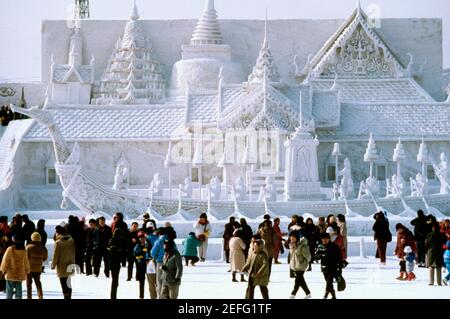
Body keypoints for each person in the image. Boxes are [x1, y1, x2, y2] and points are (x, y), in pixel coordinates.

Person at [0, 234, 30, 299]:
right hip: (20, 274)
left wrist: (3, 270)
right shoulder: (24, 250)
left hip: (10, 273)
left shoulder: (10, 249)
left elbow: (5, 260)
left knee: (9, 293)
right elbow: (26, 261)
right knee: (19, 293)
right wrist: (27, 271)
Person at [51, 226, 75, 299]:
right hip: (70, 264)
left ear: (58, 233)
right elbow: (73, 253)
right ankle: (69, 297)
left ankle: (66, 297)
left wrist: (53, 265)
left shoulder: (58, 243)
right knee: (68, 283)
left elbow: (55, 256)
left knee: (63, 283)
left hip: (61, 266)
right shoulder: (71, 240)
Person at [316, 233, 343, 299]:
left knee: (329, 282)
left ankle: (326, 295)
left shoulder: (334, 246)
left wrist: (339, 267)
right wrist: (318, 256)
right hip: (324, 267)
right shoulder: (320, 246)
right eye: (323, 239)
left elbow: (339, 258)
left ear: (329, 239)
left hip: (333, 267)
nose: (324, 240)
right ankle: (333, 296)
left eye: (326, 238)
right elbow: (316, 256)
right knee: (328, 282)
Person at [288, 230, 311, 299]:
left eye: (293, 237)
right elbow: (292, 255)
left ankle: (293, 293)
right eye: (290, 237)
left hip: (301, 265)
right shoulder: (291, 245)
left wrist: (305, 262)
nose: (291, 238)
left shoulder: (302, 245)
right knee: (301, 280)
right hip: (295, 265)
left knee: (298, 279)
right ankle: (308, 293)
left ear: (297, 237)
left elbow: (308, 256)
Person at [107, 225, 128, 299]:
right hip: (115, 263)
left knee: (115, 280)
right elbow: (122, 252)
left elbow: (108, 252)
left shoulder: (111, 240)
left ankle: (113, 295)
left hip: (112, 263)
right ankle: (113, 296)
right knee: (115, 281)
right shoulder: (118, 241)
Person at [25, 232, 47, 299]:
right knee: (38, 282)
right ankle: (40, 296)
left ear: (32, 238)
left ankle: (29, 297)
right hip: (38, 268)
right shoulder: (43, 248)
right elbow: (45, 259)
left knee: (29, 284)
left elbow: (25, 258)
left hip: (29, 269)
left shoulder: (28, 247)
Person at [425, 221, 446, 286]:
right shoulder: (442, 234)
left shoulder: (429, 234)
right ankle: (439, 282)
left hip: (431, 251)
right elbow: (444, 241)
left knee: (431, 267)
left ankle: (431, 282)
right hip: (439, 251)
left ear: (433, 228)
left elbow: (426, 243)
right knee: (438, 267)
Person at [134, 230, 153, 299]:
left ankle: (153, 296)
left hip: (148, 265)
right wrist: (143, 251)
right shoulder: (137, 245)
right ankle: (141, 296)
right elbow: (136, 254)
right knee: (141, 282)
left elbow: (151, 252)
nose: (142, 239)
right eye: (140, 238)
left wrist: (148, 259)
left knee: (151, 282)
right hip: (141, 265)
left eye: (143, 238)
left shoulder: (148, 244)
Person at [151, 227, 169, 298]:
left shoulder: (158, 241)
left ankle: (160, 296)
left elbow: (152, 253)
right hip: (169, 262)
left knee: (159, 280)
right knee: (168, 278)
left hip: (160, 262)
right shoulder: (170, 240)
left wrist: (156, 256)